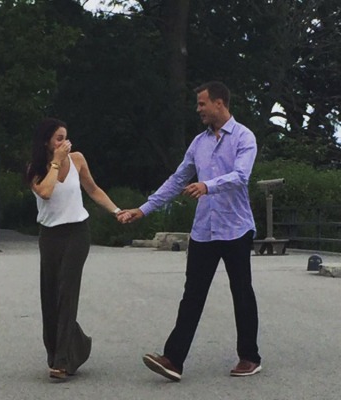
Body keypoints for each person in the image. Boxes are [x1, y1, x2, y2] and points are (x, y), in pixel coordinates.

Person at [118, 81, 261, 381]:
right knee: (192, 295)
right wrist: (142, 209)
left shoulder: (245, 137)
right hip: (204, 232)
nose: (198, 110)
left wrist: (207, 185)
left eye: (202, 104)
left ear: (219, 103)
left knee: (242, 293)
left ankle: (249, 357)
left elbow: (241, 176)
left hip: (236, 229)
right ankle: (173, 360)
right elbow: (176, 179)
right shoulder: (199, 143)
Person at [26, 118, 124, 380]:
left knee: (66, 293)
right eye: (59, 138)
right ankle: (76, 345)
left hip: (77, 232)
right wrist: (56, 161)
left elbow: (92, 189)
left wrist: (116, 211)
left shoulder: (78, 159)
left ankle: (62, 362)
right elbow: (46, 192)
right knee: (50, 295)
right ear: (47, 141)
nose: (65, 143)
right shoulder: (34, 169)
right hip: (50, 236)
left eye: (66, 138)